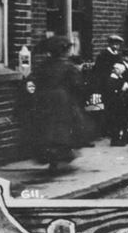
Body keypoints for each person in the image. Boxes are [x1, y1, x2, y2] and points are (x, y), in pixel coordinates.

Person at [30, 36, 88, 171]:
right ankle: (61, 157)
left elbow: (36, 80)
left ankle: (52, 158)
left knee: (48, 128)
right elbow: (77, 85)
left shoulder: (44, 65)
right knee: (64, 127)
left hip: (44, 100)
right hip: (63, 100)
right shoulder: (68, 66)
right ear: (64, 51)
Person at [103, 62, 128, 146]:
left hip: (119, 103)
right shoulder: (111, 79)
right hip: (113, 104)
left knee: (119, 121)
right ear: (115, 70)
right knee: (115, 122)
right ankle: (115, 140)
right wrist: (122, 89)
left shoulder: (119, 78)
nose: (121, 72)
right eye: (119, 70)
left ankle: (118, 137)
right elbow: (112, 92)